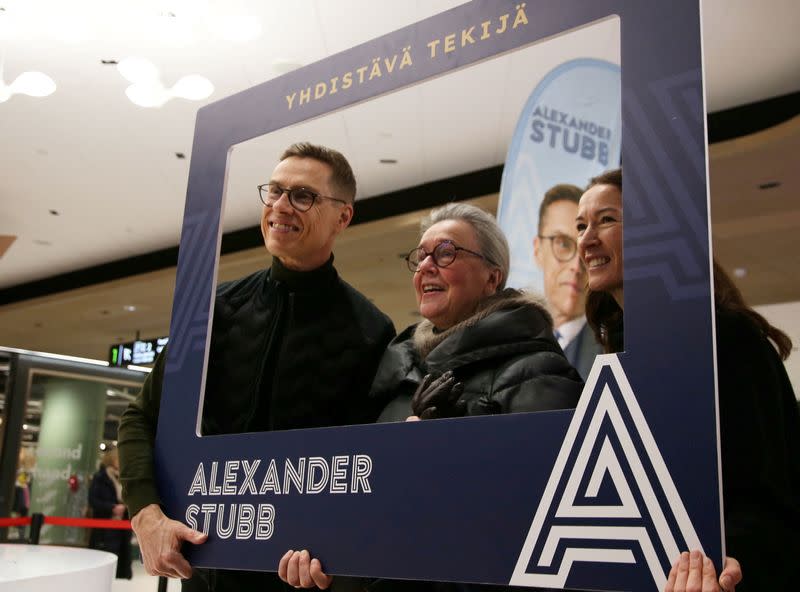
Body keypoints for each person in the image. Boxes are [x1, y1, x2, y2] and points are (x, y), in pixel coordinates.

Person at [118, 142, 396, 591]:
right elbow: (139, 419)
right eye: (275, 191)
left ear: (343, 217)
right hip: (201, 570)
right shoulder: (213, 312)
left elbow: (366, 467)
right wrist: (146, 516)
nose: (281, 207)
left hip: (297, 578)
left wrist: (338, 554)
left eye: (302, 196)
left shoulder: (370, 332)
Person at [280, 202, 585, 590]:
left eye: (445, 253)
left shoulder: (539, 372)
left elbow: (558, 529)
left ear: (493, 277)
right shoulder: (394, 375)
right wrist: (328, 564)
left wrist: (447, 456)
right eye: (420, 256)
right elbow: (372, 512)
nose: (426, 266)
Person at [577, 167, 800, 591]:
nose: (587, 239)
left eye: (606, 219)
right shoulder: (615, 356)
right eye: (581, 225)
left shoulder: (726, 338)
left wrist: (729, 565)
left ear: (657, 231)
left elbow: (768, 493)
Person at [533, 183, 602, 380]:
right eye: (563, 243)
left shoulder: (612, 349)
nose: (576, 265)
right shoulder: (512, 346)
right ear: (537, 250)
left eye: (585, 248)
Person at [88, 447, 133, 579]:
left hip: (121, 529)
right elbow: (93, 500)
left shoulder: (124, 477)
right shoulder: (100, 478)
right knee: (104, 560)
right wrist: (112, 507)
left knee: (119, 560)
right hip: (105, 529)